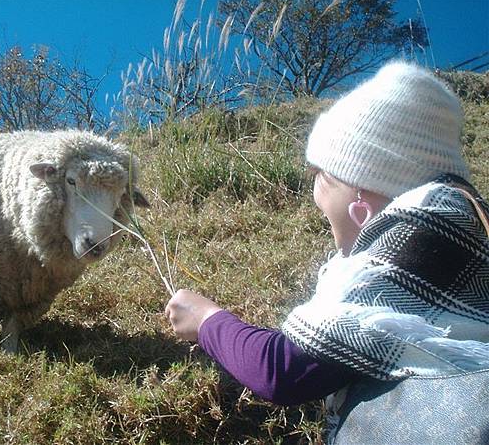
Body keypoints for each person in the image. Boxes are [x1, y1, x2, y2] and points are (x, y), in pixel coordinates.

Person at [164, 61, 489, 439]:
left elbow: (283, 371)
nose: (314, 192)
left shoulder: (424, 233)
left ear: (360, 187)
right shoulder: (468, 229)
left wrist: (206, 321)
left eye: (320, 174)